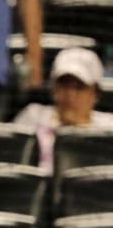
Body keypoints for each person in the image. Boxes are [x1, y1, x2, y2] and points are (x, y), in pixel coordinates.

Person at [14, 47, 113, 175]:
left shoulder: (109, 129)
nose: (70, 94)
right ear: (53, 89)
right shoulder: (33, 117)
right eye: (64, 85)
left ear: (95, 93)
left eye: (79, 87)